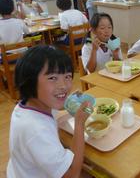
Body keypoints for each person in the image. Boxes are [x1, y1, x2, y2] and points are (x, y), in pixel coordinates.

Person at [7, 45, 92, 178]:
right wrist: (79, 123)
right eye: (52, 78)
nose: (63, 86)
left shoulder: (30, 103)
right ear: (30, 80)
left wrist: (69, 101)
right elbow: (72, 174)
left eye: (68, 76)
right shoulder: (35, 130)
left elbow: (56, 107)